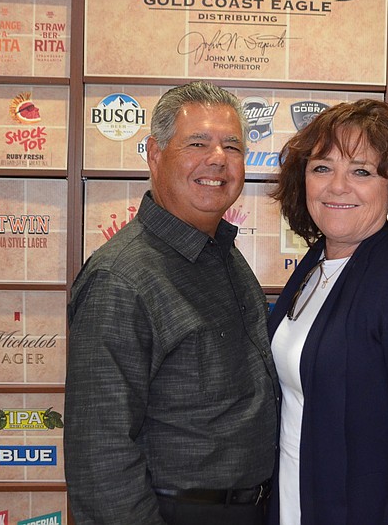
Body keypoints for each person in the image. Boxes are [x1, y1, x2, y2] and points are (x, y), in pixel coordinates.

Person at [65, 81, 279, 525]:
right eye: (197, 143)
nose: (218, 158)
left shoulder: (221, 252)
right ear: (154, 154)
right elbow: (99, 454)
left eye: (232, 146)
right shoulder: (120, 278)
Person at [268, 99, 388, 524]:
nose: (337, 186)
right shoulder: (316, 264)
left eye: (361, 171)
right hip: (299, 500)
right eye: (322, 168)